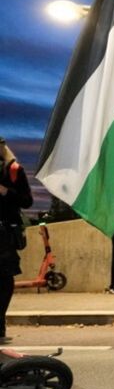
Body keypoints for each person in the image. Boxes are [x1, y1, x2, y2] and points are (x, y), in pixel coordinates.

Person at [0, 138, 31, 344]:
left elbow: (27, 201)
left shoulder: (13, 170)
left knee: (3, 279)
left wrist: (6, 192)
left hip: (4, 235)